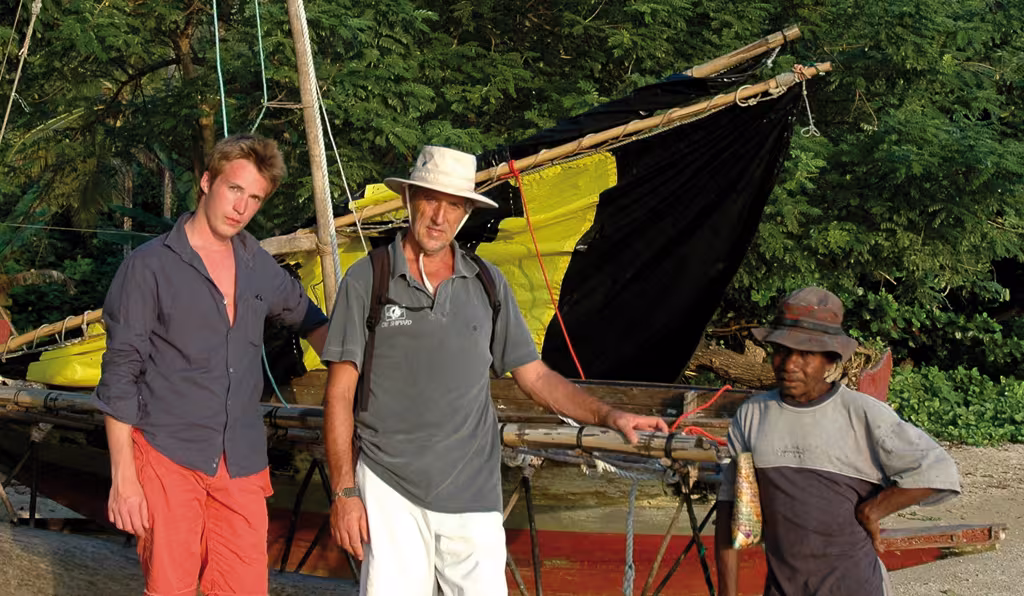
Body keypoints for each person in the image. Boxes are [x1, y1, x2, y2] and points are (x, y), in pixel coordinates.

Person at [321, 145, 669, 595]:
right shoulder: (366, 279)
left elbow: (536, 377)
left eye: (454, 204)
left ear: (466, 212)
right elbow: (338, 395)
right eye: (430, 199)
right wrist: (344, 494)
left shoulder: (488, 284)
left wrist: (610, 416)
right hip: (390, 487)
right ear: (410, 200)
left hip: (473, 491)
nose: (439, 216)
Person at [94, 133, 329, 595]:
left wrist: (357, 379)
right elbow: (121, 371)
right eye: (234, 189)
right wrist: (123, 479)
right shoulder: (149, 267)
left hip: (241, 460)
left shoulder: (258, 264)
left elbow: (313, 322)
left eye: (255, 198)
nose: (242, 207)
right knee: (171, 588)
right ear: (207, 181)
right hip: (167, 453)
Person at [714, 287, 962, 596]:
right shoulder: (751, 416)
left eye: (805, 354)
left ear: (830, 359)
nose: (789, 364)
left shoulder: (863, 414)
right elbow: (732, 513)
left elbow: (939, 471)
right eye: (781, 350)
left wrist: (873, 510)